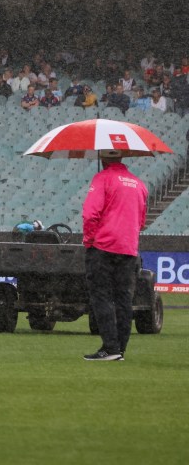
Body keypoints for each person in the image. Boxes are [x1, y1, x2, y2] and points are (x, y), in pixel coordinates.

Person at [82, 149, 148, 361]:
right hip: (128, 248)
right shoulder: (139, 184)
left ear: (103, 159)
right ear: (121, 158)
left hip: (103, 247)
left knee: (101, 297)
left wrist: (89, 240)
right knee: (123, 299)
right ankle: (120, 348)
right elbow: (142, 221)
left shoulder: (102, 178)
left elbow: (90, 214)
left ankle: (110, 348)